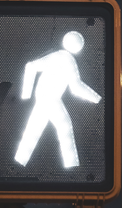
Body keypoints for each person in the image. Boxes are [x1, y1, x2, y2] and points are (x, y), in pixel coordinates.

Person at [14, 31, 101, 168]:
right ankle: (72, 167)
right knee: (63, 127)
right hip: (50, 98)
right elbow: (76, 87)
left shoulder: (57, 56)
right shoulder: (67, 60)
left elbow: (31, 66)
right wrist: (97, 99)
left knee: (35, 129)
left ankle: (19, 162)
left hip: (44, 97)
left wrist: (27, 94)